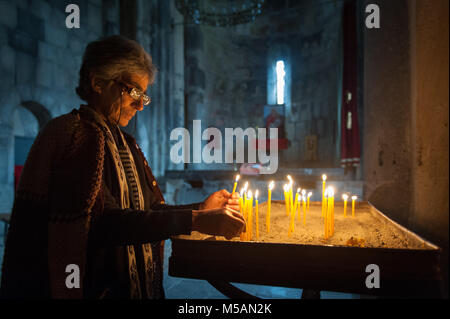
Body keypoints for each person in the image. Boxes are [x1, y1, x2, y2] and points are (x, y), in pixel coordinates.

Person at [0, 35, 245, 299]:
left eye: (144, 95)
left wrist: (199, 208)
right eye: (135, 92)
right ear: (98, 83)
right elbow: (103, 223)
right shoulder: (71, 135)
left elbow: (149, 210)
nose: (141, 104)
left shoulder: (125, 142)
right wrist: (195, 221)